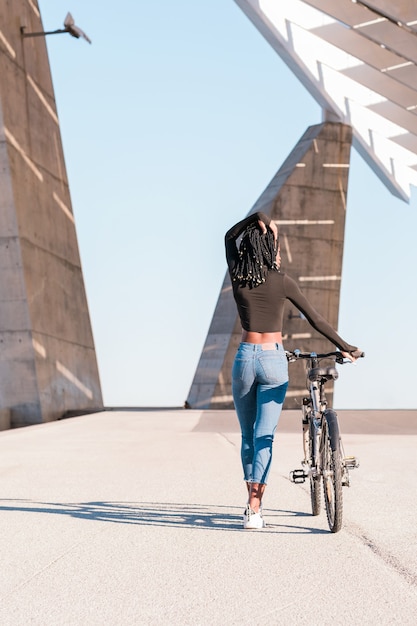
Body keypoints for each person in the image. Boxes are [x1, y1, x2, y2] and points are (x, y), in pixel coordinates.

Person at [225, 211, 362, 530]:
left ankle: (251, 508)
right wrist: (344, 346)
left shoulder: (240, 276)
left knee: (248, 435)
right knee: (264, 436)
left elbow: (229, 237)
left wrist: (259, 218)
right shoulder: (282, 281)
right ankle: (256, 505)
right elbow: (316, 319)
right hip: (273, 359)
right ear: (270, 248)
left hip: (245, 358)